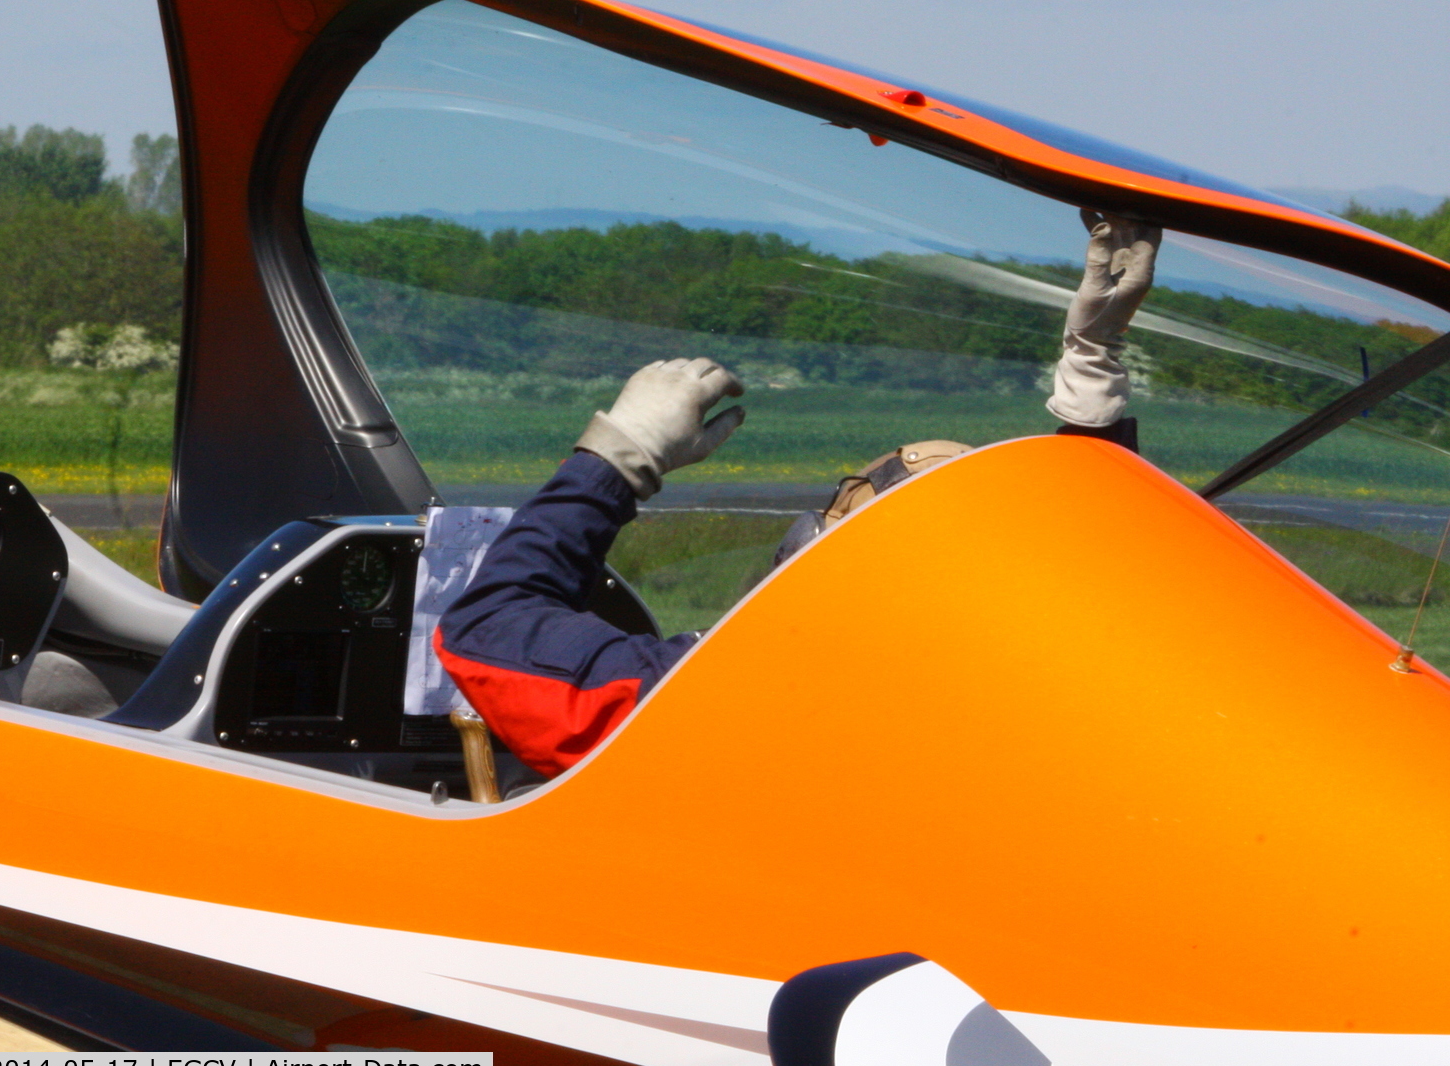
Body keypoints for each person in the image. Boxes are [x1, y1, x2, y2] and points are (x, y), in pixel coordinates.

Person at [436, 210, 1162, 780]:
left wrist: (620, 457)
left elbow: (484, 629)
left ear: (816, 551)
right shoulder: (1038, 715)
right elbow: (1104, 595)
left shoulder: (735, 706)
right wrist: (1091, 381)